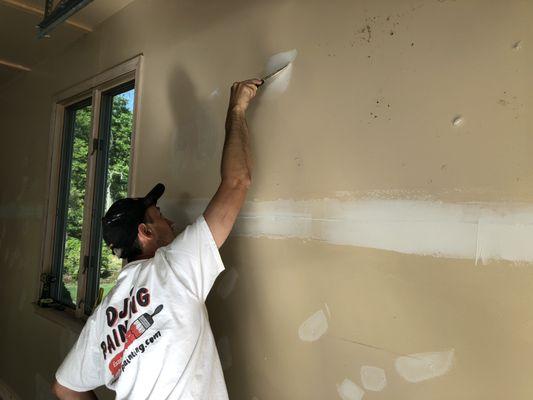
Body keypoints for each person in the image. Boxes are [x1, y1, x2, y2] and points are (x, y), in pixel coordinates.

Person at [51, 78, 263, 400]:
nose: (171, 221)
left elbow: (64, 388)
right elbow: (237, 181)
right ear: (145, 232)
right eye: (160, 215)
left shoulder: (103, 316)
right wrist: (236, 110)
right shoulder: (172, 268)